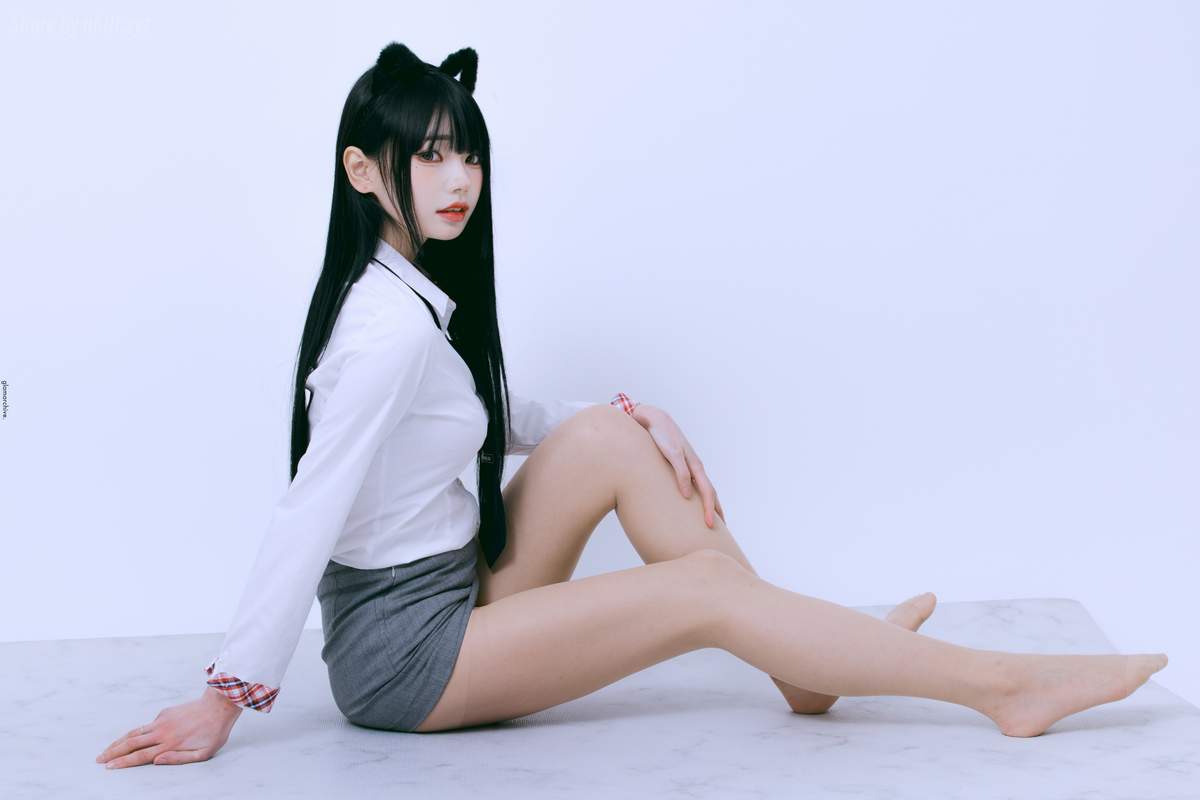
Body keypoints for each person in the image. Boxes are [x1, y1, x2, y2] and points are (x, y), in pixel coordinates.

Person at [96, 42, 1169, 769]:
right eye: (428, 156)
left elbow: (482, 410)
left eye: (467, 152)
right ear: (364, 172)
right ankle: (1002, 685)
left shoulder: (408, 296)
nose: (457, 178)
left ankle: (809, 664)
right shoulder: (386, 329)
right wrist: (224, 697)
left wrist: (627, 408)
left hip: (455, 588)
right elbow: (309, 506)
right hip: (405, 658)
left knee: (607, 438)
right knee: (701, 588)